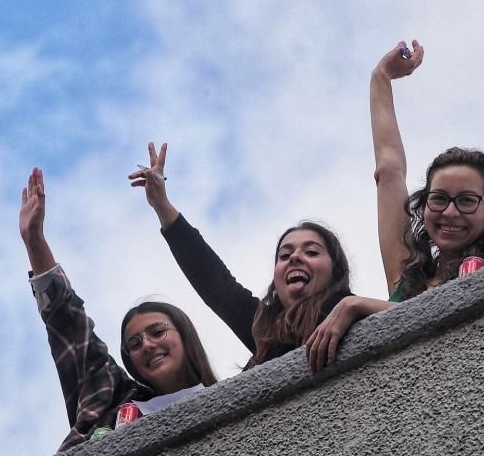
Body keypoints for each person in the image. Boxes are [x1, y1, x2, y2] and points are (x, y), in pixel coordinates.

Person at [129, 143, 392, 372]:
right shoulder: (264, 328)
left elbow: (415, 316)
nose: (295, 258)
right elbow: (215, 282)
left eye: (311, 252)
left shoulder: (348, 310)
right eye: (285, 255)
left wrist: (352, 306)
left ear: (335, 271)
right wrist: (161, 204)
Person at [20, 166, 218, 451]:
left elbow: (225, 290)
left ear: (184, 335)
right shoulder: (111, 403)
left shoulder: (231, 397)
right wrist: (34, 240)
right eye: (135, 344)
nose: (147, 345)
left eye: (157, 332)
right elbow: (70, 325)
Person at [370, 40, 484, 302]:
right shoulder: (408, 283)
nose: (449, 212)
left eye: (466, 201)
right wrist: (381, 78)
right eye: (438, 199)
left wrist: (357, 306)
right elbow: (389, 171)